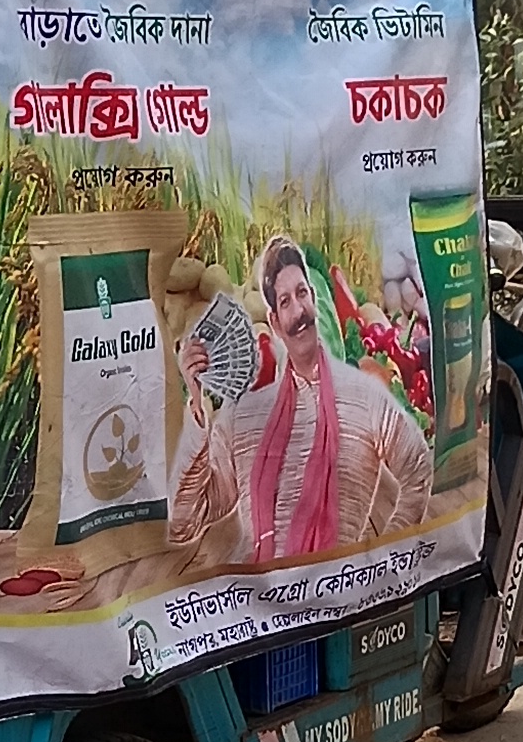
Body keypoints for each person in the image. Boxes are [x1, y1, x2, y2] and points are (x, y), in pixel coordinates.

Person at [172, 236, 432, 569]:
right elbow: (185, 521)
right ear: (275, 323)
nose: (298, 311)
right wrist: (195, 402)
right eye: (285, 301)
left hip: (341, 591)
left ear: (314, 299)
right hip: (264, 597)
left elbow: (417, 469)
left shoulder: (363, 398)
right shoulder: (243, 417)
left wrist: (385, 561)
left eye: (302, 293)